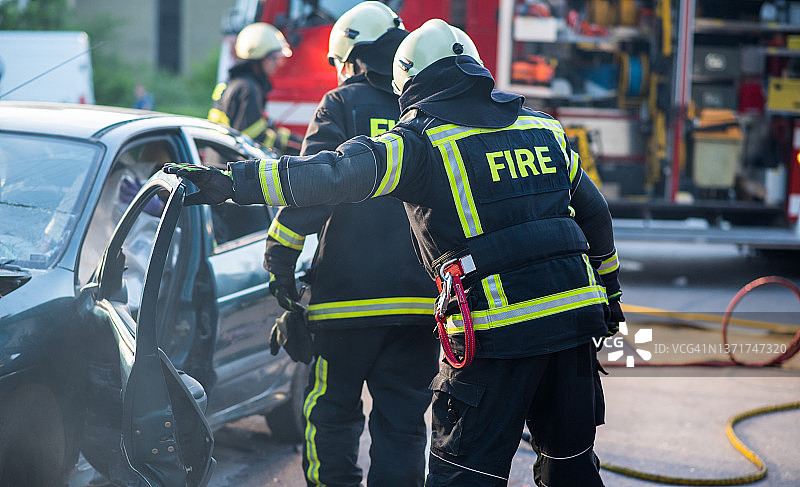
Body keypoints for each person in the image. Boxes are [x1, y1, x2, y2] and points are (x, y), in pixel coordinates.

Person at [166, 18, 624, 487]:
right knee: (571, 471)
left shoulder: (423, 142)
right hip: (574, 329)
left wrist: (229, 183)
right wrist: (610, 297)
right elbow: (596, 215)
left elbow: (330, 176)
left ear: (413, 84)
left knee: (463, 475)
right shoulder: (542, 127)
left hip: (497, 336)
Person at [263, 3, 439, 486]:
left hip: (346, 303)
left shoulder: (341, 105)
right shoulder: (424, 112)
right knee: (404, 425)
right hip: (421, 305)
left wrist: (279, 261)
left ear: (354, 58)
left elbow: (315, 185)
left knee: (332, 415)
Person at [208, 22, 301, 155]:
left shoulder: (236, 82)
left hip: (220, 161)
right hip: (229, 166)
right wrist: (297, 147)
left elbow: (261, 126)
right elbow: (253, 137)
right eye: (275, 58)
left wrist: (296, 140)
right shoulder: (247, 89)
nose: (278, 65)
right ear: (259, 58)